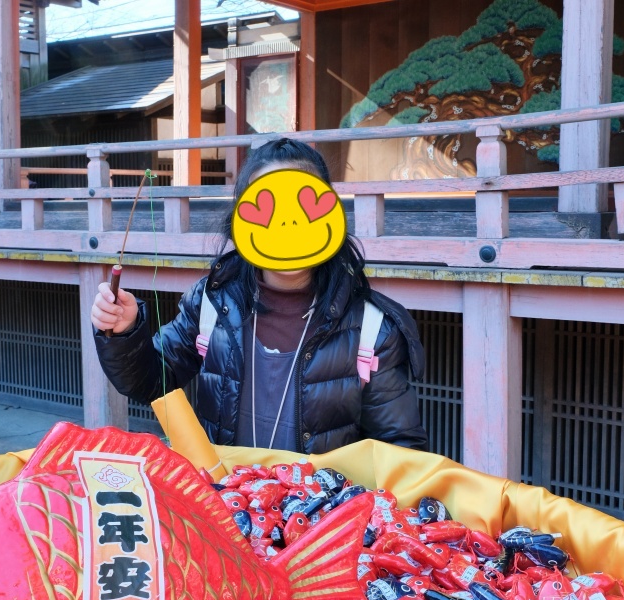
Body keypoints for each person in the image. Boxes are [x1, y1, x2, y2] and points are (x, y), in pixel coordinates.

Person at [91, 138, 428, 454]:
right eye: (267, 209)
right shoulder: (211, 302)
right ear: (241, 219)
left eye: (302, 207)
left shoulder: (372, 328)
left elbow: (398, 447)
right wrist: (124, 333)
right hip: (223, 502)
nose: (286, 226)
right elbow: (150, 382)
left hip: (318, 513)